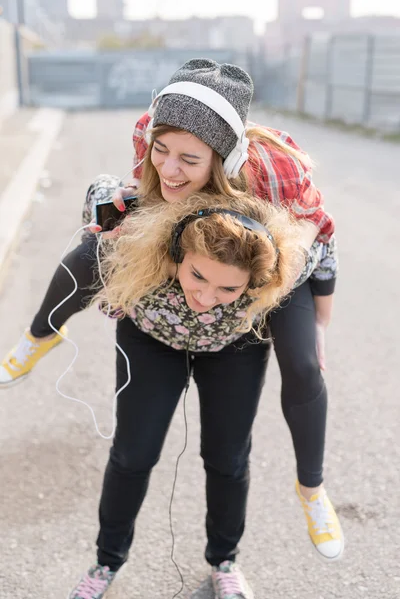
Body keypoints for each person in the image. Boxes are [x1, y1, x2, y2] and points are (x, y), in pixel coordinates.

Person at [0, 59, 343, 570]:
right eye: (162, 151)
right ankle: (39, 336)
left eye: (189, 158)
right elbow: (108, 207)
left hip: (248, 312)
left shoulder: (273, 180)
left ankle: (300, 498)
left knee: (277, 399)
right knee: (133, 451)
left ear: (223, 162)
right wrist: (107, 205)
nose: (170, 167)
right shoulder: (155, 153)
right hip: (156, 331)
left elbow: (319, 229)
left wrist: (312, 320)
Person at [69, 188, 306, 599]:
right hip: (151, 339)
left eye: (228, 290)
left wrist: (314, 336)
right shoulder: (151, 242)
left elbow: (323, 254)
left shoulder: (277, 272)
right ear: (179, 251)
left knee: (228, 458)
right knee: (133, 454)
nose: (206, 297)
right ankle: (106, 562)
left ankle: (224, 562)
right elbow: (99, 196)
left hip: (234, 348)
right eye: (198, 276)